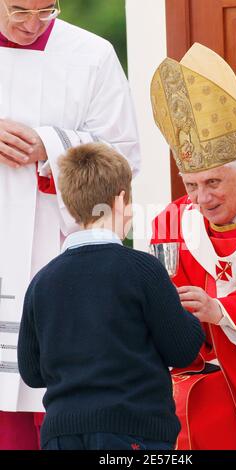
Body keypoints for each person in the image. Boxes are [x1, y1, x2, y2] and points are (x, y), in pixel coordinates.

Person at [0, 0, 140, 450]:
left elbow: (124, 154)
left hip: (57, 248)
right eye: (18, 10)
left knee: (59, 397)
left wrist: (53, 144)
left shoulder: (92, 54)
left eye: (47, 11)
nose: (32, 24)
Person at [17, 142, 205, 451]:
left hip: (61, 433)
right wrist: (183, 311)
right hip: (132, 429)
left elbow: (32, 371)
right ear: (120, 201)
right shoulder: (142, 269)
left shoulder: (42, 281)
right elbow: (183, 349)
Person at [150, 43, 236, 450]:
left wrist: (223, 310)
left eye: (213, 183)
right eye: (190, 185)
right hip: (212, 382)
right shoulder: (172, 222)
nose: (201, 199)